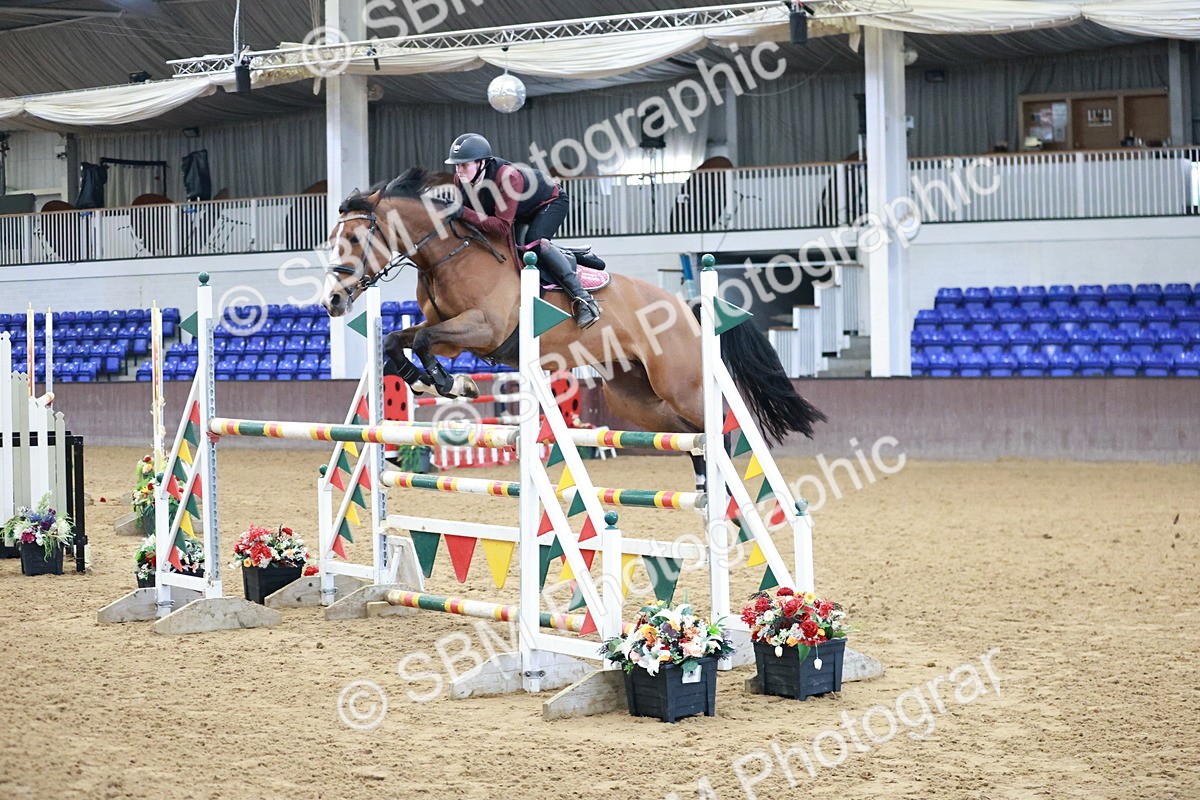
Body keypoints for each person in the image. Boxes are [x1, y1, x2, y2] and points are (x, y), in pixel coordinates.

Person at [444, 133, 600, 328]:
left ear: (482, 163)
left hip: (550, 202)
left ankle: (585, 301)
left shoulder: (507, 177)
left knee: (535, 242)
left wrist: (463, 212)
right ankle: (574, 254)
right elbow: (473, 220)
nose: (459, 170)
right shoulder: (460, 180)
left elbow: (500, 227)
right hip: (518, 210)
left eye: (464, 165)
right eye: (456, 165)